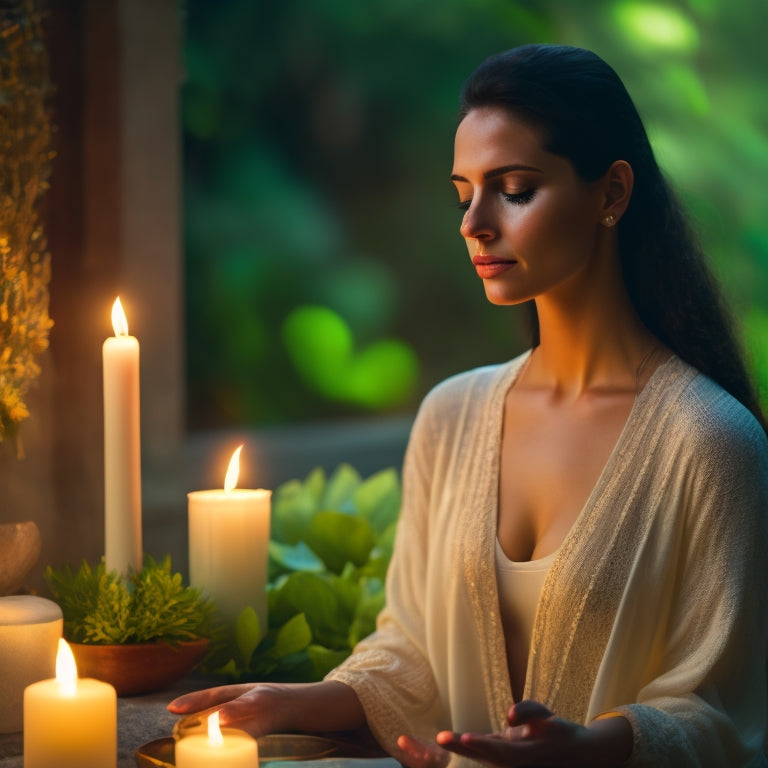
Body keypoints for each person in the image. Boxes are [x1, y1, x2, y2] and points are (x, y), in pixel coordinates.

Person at [169, 44, 768, 767]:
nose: (474, 223)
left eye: (513, 189)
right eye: (463, 194)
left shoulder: (711, 442)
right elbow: (412, 653)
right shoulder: (451, 416)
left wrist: (589, 750)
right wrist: (292, 701)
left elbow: (727, 714)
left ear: (611, 193)